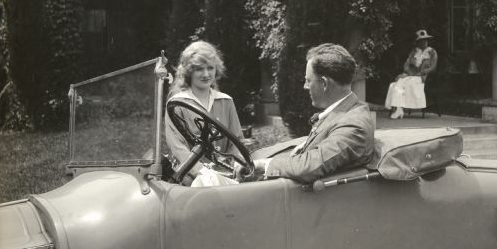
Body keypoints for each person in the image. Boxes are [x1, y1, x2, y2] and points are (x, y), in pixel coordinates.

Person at [251, 43, 375, 184]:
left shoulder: (353, 125)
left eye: (308, 80)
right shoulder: (344, 112)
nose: (305, 86)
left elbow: (310, 166)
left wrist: (263, 165)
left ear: (324, 83)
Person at [165, 40, 243, 187]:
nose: (206, 74)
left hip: (223, 174)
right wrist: (202, 172)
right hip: (188, 177)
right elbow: (178, 147)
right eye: (199, 69)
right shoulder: (177, 104)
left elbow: (236, 142)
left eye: (210, 68)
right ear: (189, 71)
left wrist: (236, 165)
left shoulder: (226, 102)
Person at [384, 29, 438, 119]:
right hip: (411, 75)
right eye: (421, 40)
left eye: (425, 40)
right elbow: (406, 64)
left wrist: (423, 72)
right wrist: (408, 72)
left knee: (401, 84)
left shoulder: (432, 52)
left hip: (421, 77)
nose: (423, 42)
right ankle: (399, 108)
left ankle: (398, 109)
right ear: (418, 42)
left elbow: (433, 67)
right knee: (394, 84)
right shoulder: (414, 52)